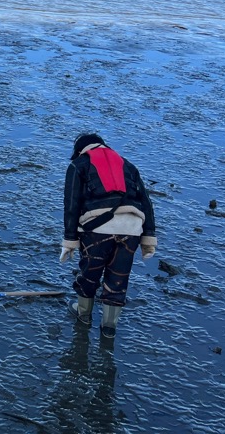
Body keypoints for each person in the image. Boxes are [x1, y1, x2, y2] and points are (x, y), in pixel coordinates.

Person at [60, 133, 157, 338]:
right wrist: (148, 237)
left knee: (90, 272)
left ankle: (83, 314)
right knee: (118, 278)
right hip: (131, 229)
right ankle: (109, 327)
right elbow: (146, 203)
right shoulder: (128, 165)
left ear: (79, 150)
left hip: (97, 229)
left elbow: (71, 204)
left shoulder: (79, 165)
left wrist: (69, 240)